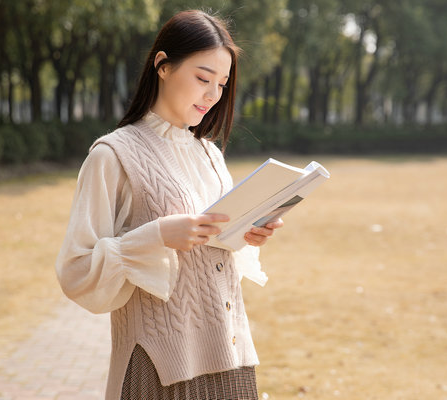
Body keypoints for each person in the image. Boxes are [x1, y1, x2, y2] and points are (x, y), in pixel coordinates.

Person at [55, 10, 283, 400]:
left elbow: (213, 252)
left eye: (223, 84)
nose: (213, 95)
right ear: (162, 65)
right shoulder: (112, 155)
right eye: (202, 78)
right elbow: (76, 271)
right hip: (161, 366)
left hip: (231, 354)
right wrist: (157, 236)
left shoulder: (209, 155)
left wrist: (247, 233)